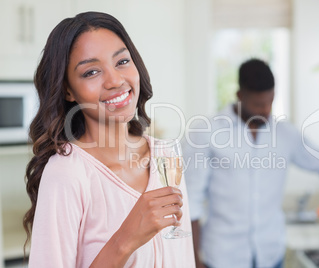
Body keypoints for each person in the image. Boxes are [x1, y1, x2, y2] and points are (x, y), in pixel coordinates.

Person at [23, 11, 195, 267]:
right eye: (92, 72)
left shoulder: (166, 155)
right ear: (68, 90)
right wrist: (125, 239)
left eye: (122, 61)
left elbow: (183, 257)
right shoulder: (67, 173)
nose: (115, 80)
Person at [182, 58, 319, 268]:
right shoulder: (206, 133)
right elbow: (190, 203)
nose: (266, 110)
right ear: (240, 96)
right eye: (258, 104)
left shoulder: (285, 134)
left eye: (270, 101)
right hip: (223, 257)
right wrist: (194, 261)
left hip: (271, 255)